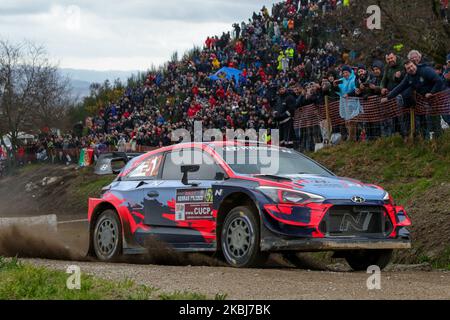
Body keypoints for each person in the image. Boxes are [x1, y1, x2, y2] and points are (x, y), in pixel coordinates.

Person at [381, 60, 445, 138]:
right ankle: (429, 139)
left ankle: (440, 138)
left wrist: (432, 92)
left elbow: (439, 81)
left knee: (438, 118)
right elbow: (400, 87)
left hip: (439, 95)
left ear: (415, 65)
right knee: (426, 119)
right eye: (408, 68)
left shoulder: (425, 70)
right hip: (426, 99)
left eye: (412, 66)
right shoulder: (408, 77)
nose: (411, 69)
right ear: (406, 71)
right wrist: (388, 97)